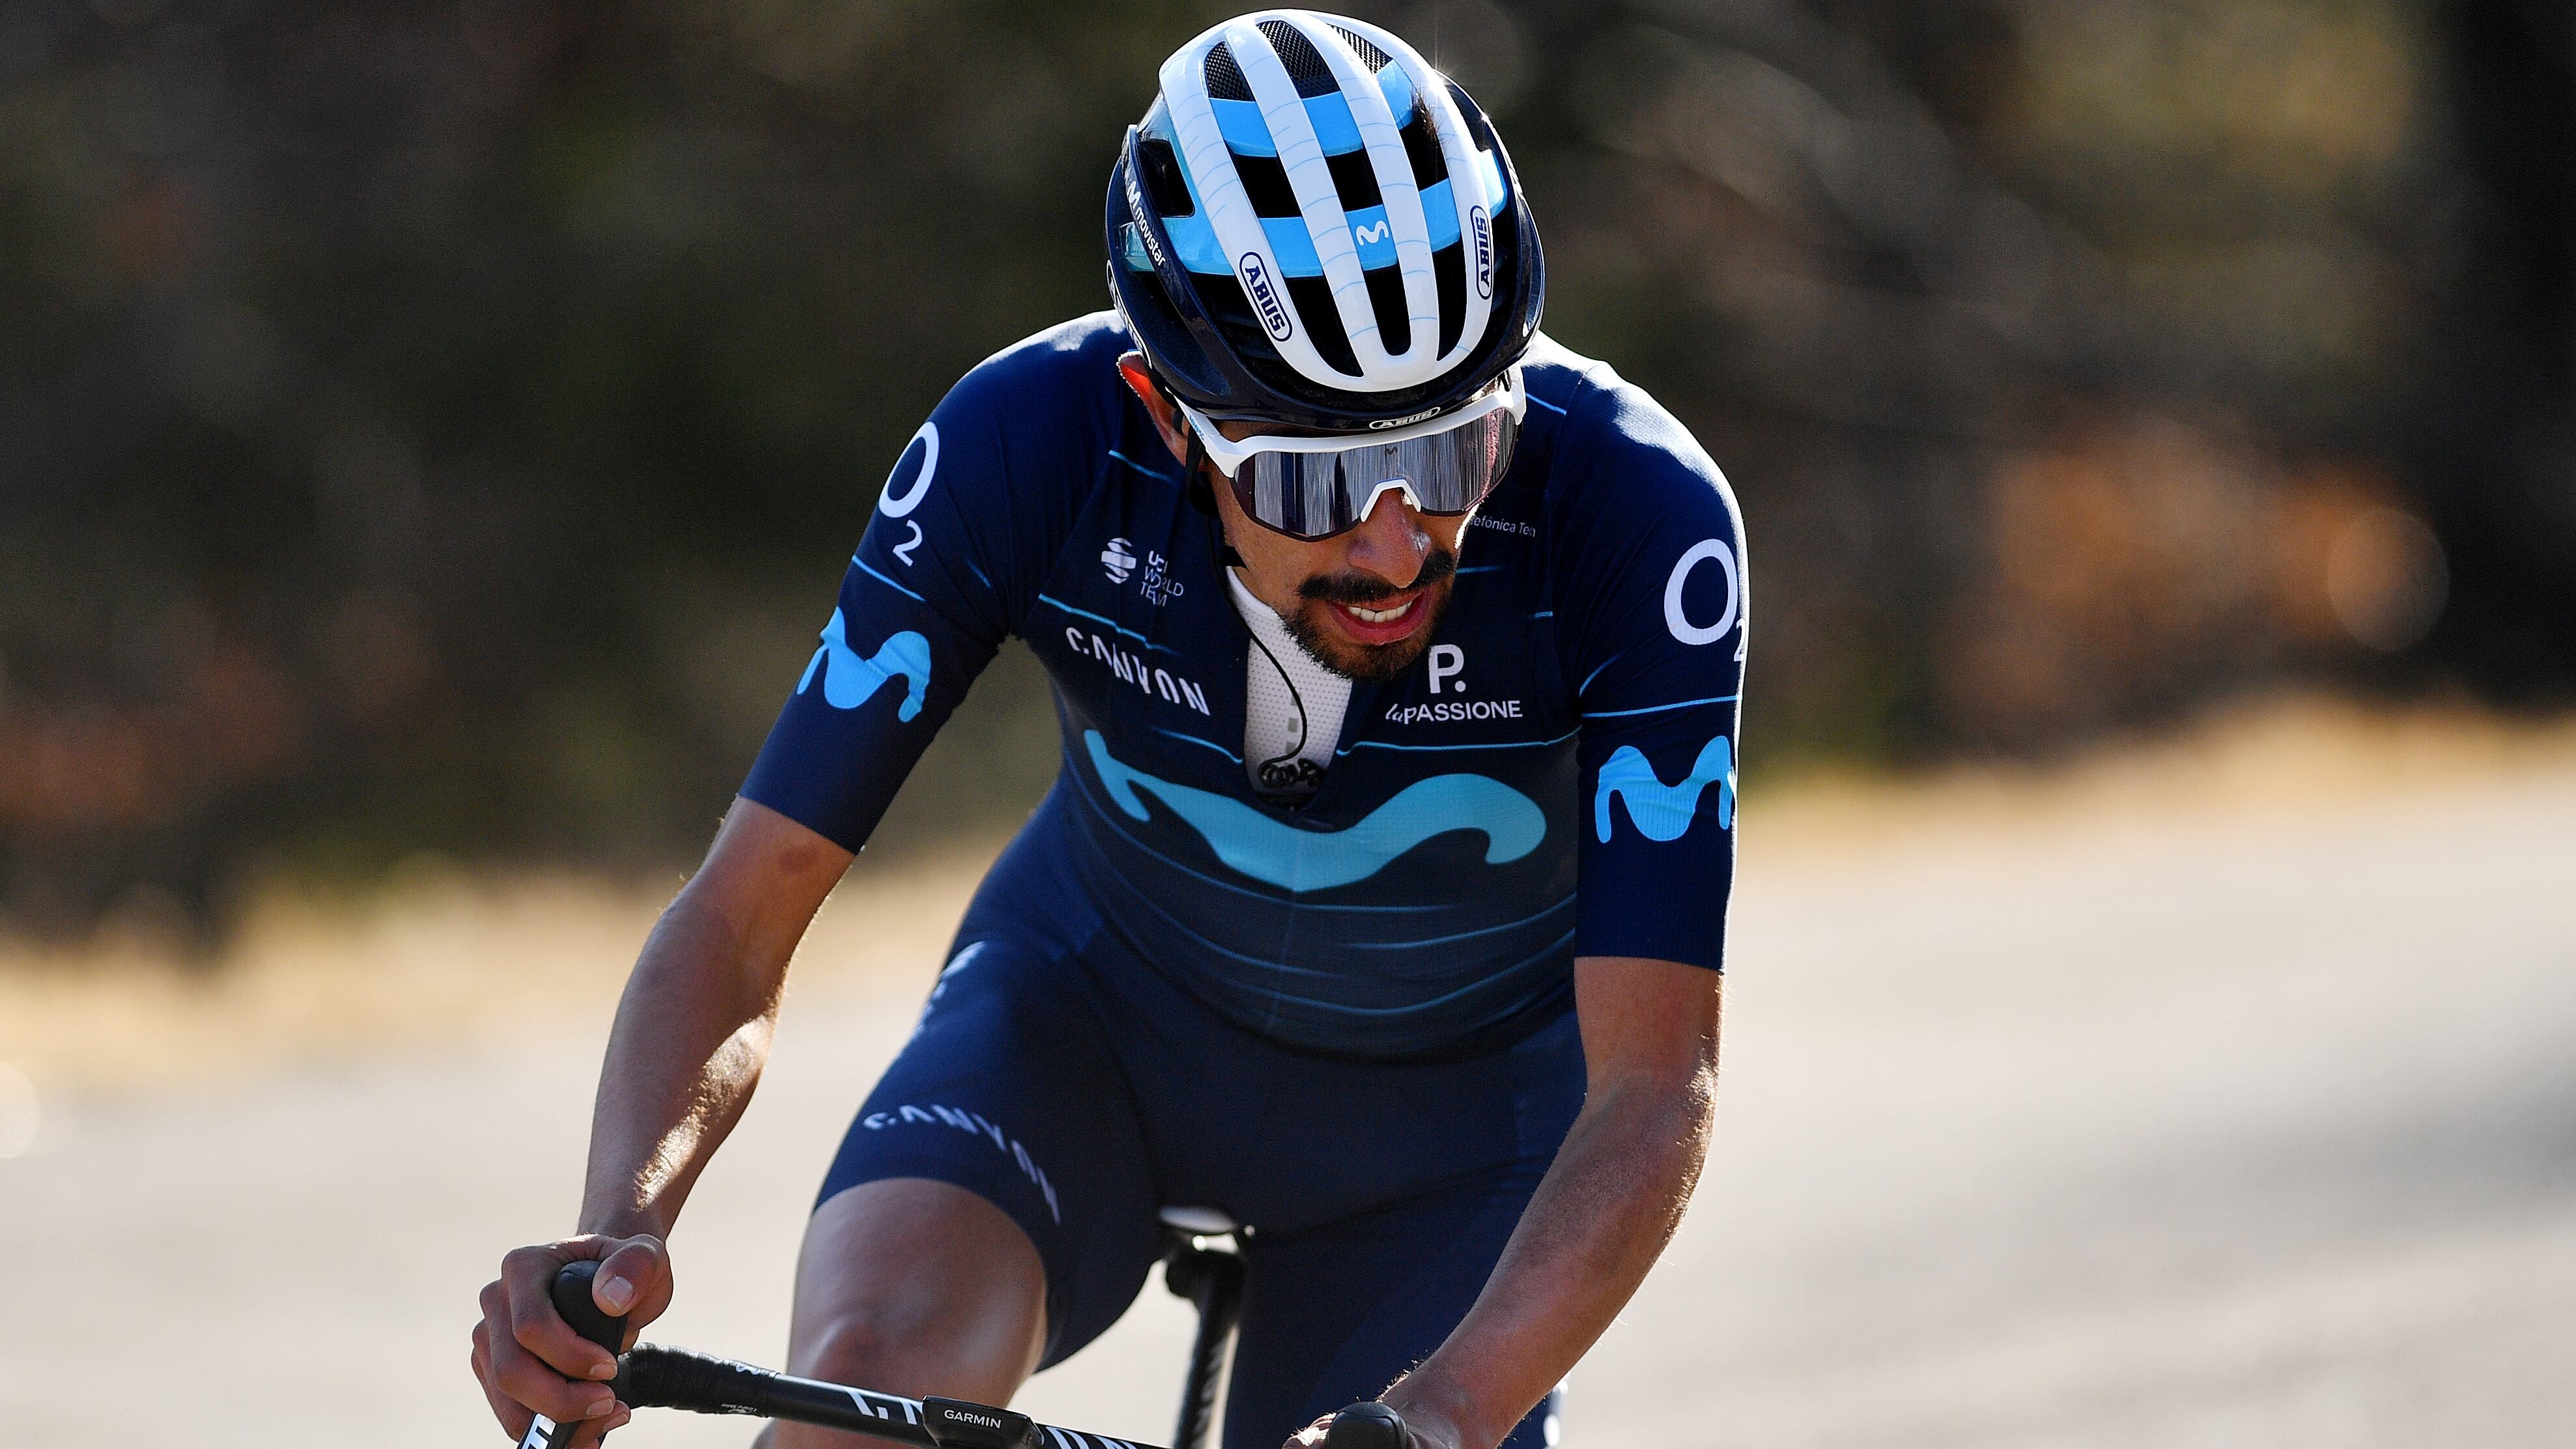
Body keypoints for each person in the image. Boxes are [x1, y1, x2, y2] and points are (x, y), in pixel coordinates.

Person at [470, 11, 1746, 1449]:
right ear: (1165, 412)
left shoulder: (1638, 514)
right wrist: (607, 1249)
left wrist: (1446, 1412)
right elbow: (741, 914)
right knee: (869, 1388)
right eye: (1316, 485)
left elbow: (1654, 1083)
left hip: (1453, 1138)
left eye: (1451, 452)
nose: (1396, 551)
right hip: (1091, 1025)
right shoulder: (1031, 441)